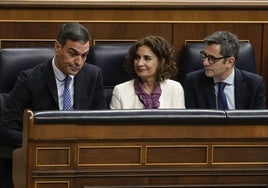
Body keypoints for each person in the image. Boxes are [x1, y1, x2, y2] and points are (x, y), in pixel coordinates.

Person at [0, 22, 107, 150]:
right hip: (42, 154)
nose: (79, 62)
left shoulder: (93, 76)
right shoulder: (30, 80)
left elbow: (102, 123)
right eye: (73, 54)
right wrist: (41, 143)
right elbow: (6, 129)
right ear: (57, 47)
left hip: (82, 152)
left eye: (84, 55)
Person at [184, 31, 266, 109]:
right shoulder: (194, 82)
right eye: (204, 56)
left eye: (212, 58)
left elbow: (258, 121)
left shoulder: (254, 84)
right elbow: (193, 120)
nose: (205, 63)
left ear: (230, 62)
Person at [110, 35, 185, 109]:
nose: (139, 63)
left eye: (147, 58)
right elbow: (115, 121)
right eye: (137, 58)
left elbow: (181, 120)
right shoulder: (120, 91)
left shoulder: (175, 88)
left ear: (161, 62)